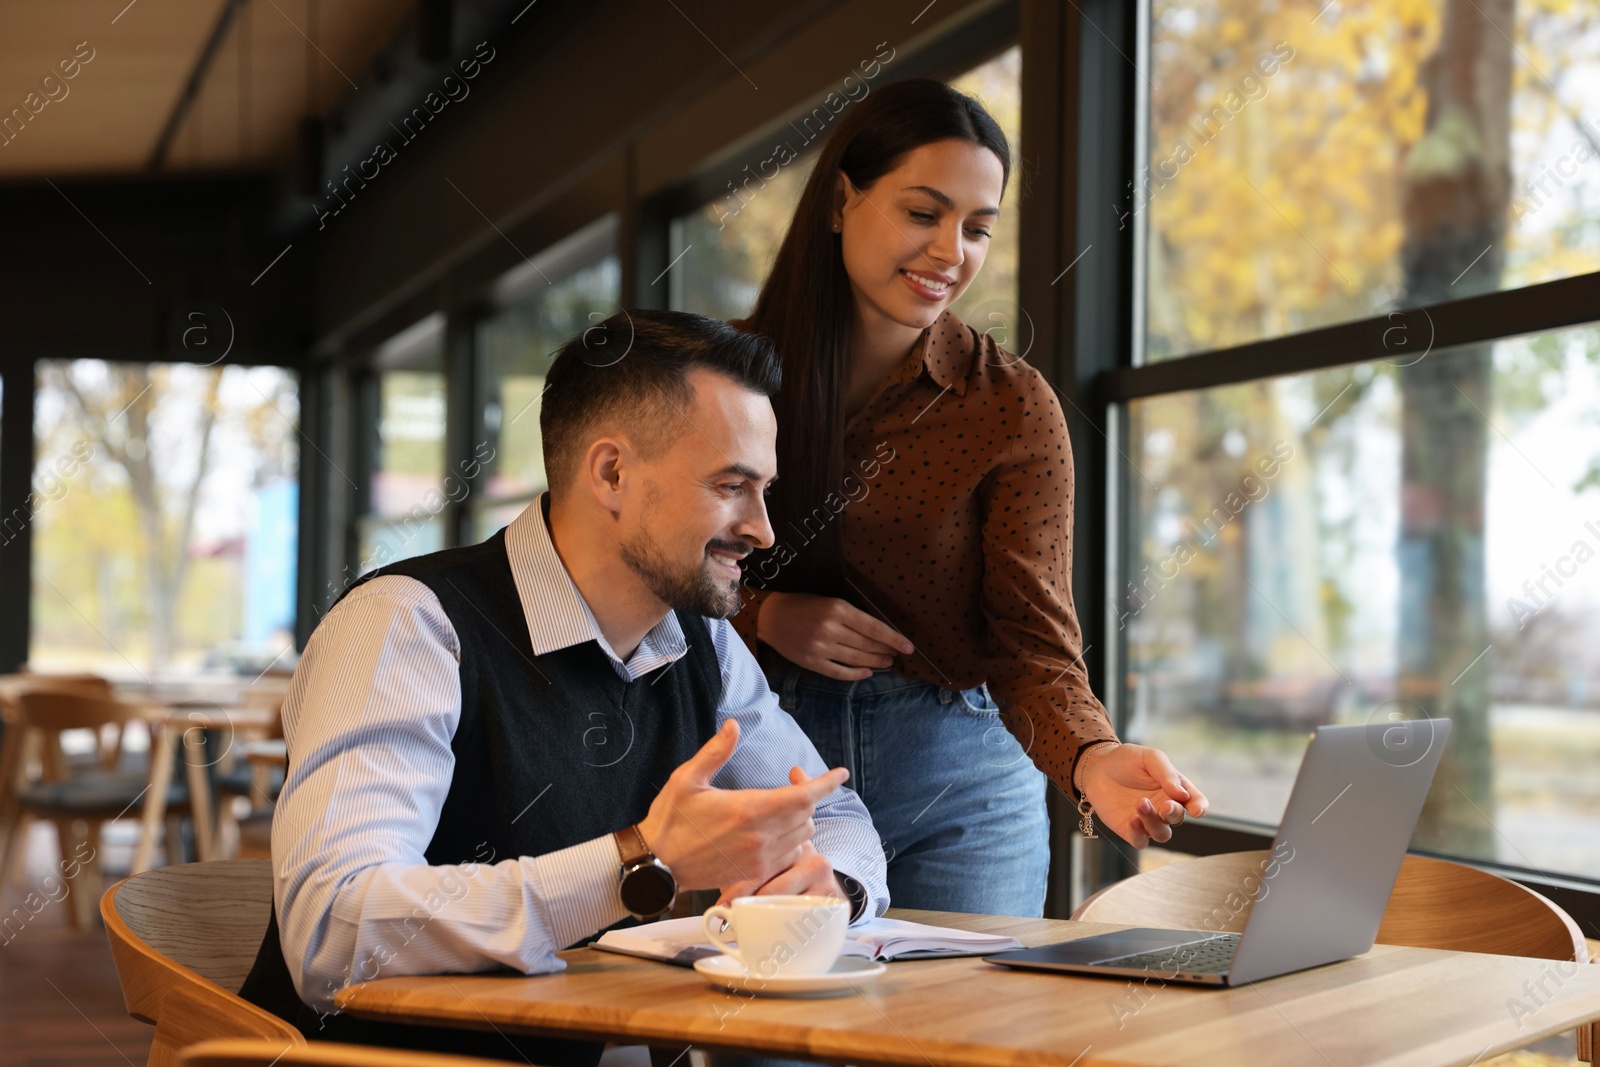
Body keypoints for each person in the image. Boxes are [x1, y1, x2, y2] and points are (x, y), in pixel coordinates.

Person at [239, 310, 888, 1065]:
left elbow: (830, 808)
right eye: (730, 486)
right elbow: (332, 931)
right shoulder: (408, 625)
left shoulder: (703, 640)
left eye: (764, 490)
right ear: (610, 473)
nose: (764, 529)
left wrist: (828, 889)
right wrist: (643, 861)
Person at [726, 77, 1209, 918]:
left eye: (977, 228)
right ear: (842, 201)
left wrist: (1092, 754)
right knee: (766, 1041)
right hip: (769, 763)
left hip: (962, 786)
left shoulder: (1009, 405)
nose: (952, 250)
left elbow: (1034, 643)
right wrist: (760, 614)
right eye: (923, 213)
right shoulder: (722, 381)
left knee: (956, 1042)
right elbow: (645, 581)